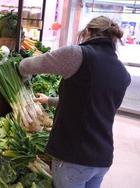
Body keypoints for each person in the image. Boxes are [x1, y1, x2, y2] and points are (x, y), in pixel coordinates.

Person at [19, 16, 131, 188]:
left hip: (74, 157)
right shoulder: (123, 73)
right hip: (102, 158)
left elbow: (26, 65)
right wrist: (49, 100)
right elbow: (93, 104)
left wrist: (24, 74)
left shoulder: (77, 54)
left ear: (87, 32)